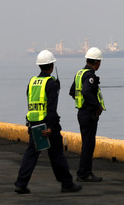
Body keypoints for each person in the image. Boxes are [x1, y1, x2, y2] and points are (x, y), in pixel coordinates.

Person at [14, 50, 82, 194]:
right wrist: (51, 127)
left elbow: (30, 103)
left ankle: (21, 184)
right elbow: (52, 108)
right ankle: (66, 184)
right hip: (47, 124)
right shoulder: (51, 84)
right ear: (51, 66)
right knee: (57, 154)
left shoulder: (32, 82)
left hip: (34, 123)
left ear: (40, 66)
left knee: (31, 154)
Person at [70, 47, 105, 183]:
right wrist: (96, 106)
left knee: (86, 143)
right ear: (96, 62)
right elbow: (86, 92)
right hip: (89, 114)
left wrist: (81, 104)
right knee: (88, 144)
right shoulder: (90, 76)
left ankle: (83, 172)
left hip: (81, 112)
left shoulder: (80, 73)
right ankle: (85, 173)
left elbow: (73, 91)